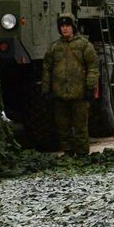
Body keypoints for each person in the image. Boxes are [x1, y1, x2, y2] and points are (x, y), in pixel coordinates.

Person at [42, 15, 99, 156]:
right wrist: (46, 90)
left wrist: (90, 87)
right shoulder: (54, 48)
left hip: (79, 94)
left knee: (80, 126)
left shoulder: (84, 45)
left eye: (67, 26)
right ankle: (67, 152)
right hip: (60, 94)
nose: (65, 29)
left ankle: (82, 154)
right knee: (63, 126)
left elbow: (93, 67)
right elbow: (47, 69)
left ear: (73, 27)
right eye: (62, 26)